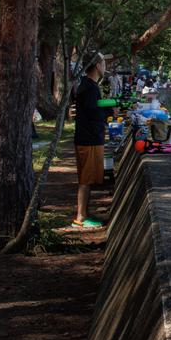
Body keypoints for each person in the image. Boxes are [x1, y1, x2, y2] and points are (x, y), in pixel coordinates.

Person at [71, 53, 107, 229]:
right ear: (97, 66)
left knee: (89, 178)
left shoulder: (89, 85)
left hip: (88, 137)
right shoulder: (90, 87)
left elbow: (93, 108)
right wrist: (110, 113)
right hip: (89, 139)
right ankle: (81, 217)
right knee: (86, 179)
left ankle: (84, 213)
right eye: (104, 63)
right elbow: (94, 114)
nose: (105, 66)